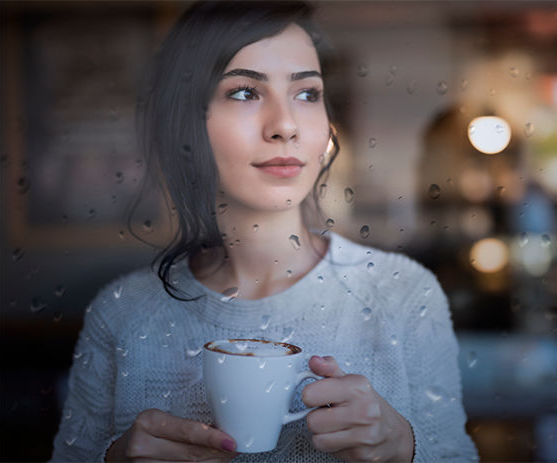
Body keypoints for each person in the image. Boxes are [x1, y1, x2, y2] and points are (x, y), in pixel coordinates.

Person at [50, 1, 479, 462]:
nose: (285, 125)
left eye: (307, 93)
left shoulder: (403, 294)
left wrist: (405, 447)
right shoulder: (122, 316)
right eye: (244, 92)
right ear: (185, 124)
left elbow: (455, 453)